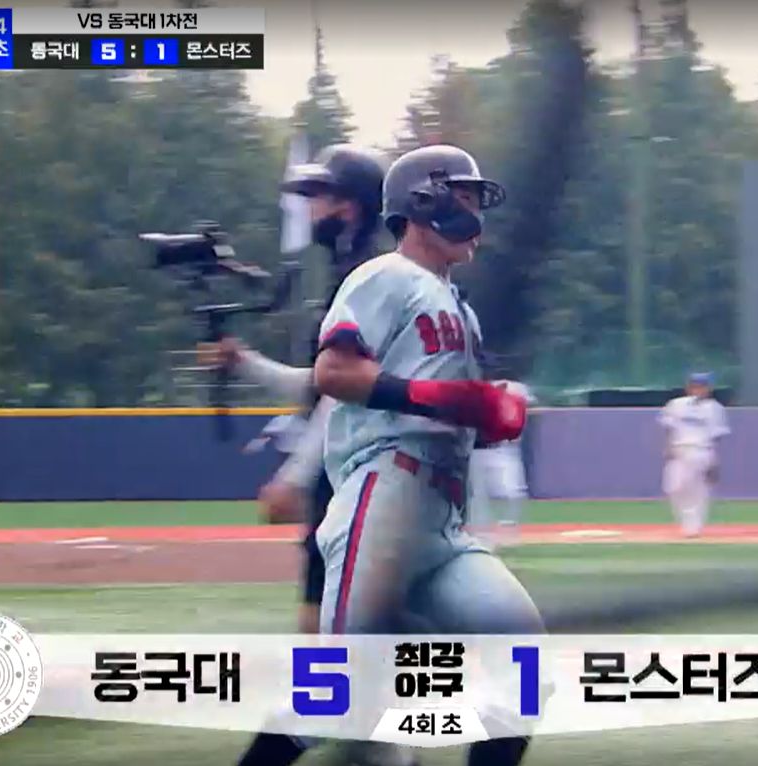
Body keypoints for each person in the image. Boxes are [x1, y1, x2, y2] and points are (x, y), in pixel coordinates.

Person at [234, 144, 541, 766]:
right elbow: (333, 371)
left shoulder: (458, 306)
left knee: (524, 663)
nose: (476, 212)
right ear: (423, 202)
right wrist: (445, 398)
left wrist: (487, 415)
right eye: (464, 197)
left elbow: (446, 407)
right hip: (386, 495)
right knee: (336, 695)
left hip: (442, 517)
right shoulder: (386, 275)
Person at [210, 146, 419, 766]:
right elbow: (321, 383)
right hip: (347, 486)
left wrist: (293, 475)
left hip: (358, 485)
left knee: (333, 659)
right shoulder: (353, 273)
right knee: (331, 649)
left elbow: (342, 395)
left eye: (318, 197)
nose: (309, 209)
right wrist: (245, 363)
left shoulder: (371, 277)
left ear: (348, 205)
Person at [468, 369, 537, 547]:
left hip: (503, 449)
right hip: (480, 451)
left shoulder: (515, 389)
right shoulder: (479, 390)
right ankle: (482, 533)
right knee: (477, 495)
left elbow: (527, 404)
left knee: (513, 491)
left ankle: (510, 528)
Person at [659, 372, 728, 537]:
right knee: (673, 487)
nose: (698, 389)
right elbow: (669, 427)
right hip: (679, 449)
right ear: (688, 387)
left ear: (709, 388)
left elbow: (716, 436)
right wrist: (669, 446)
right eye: (695, 385)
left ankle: (693, 526)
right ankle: (688, 520)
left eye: (702, 386)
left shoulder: (715, 408)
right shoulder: (676, 404)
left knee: (698, 489)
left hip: (701, 450)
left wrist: (714, 461)